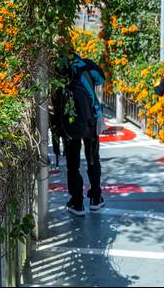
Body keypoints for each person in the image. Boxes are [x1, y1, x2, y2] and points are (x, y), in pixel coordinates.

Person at [51, 36, 106, 216]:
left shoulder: (58, 69)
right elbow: (101, 79)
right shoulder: (86, 64)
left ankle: (77, 202)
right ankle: (96, 198)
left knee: (73, 163)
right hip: (91, 118)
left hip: (70, 122)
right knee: (92, 159)